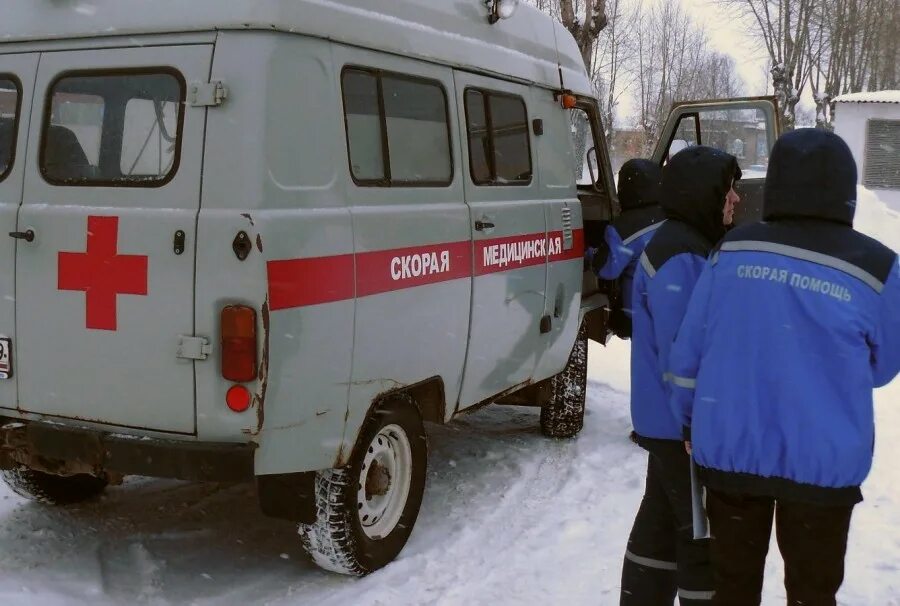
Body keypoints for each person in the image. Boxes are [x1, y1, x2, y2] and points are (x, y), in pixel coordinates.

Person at [668, 129, 900, 606]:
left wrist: (689, 416)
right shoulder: (878, 268)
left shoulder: (731, 252)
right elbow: (883, 366)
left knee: (732, 588)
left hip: (732, 452)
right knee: (813, 593)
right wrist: (827, 375)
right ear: (846, 188)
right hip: (823, 466)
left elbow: (688, 353)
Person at [620, 146, 741, 606]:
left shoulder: (681, 242)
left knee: (659, 525)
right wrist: (698, 420)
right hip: (680, 428)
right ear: (701, 193)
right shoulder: (682, 256)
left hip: (665, 422)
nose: (735, 199)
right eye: (727, 189)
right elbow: (683, 354)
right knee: (699, 538)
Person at [585, 158, 666, 339]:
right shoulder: (670, 216)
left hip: (637, 316)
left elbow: (606, 270)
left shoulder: (623, 229)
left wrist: (590, 253)